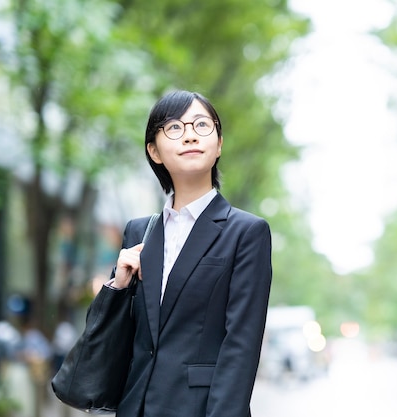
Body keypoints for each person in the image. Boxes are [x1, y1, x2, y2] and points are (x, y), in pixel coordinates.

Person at [103, 90, 272, 417]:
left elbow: (241, 346)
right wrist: (117, 288)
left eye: (201, 125)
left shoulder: (246, 232)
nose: (190, 134)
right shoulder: (139, 233)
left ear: (219, 144)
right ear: (154, 151)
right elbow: (116, 341)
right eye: (175, 128)